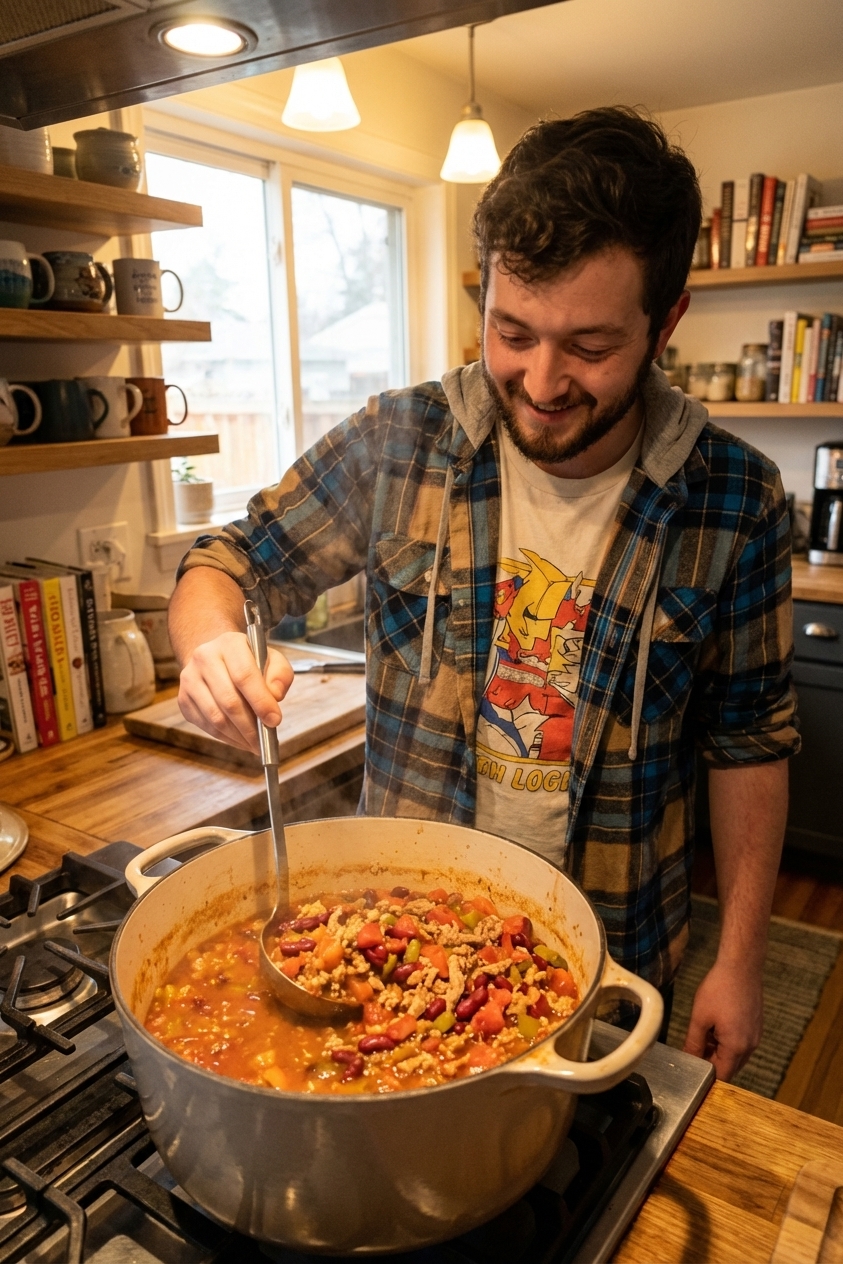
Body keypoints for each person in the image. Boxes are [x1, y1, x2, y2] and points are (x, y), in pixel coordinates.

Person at [169, 106, 799, 1082]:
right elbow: (229, 557)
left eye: (588, 345)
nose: (540, 380)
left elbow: (749, 740)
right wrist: (211, 641)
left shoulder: (737, 498)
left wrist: (743, 959)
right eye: (513, 331)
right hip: (390, 953)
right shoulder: (402, 440)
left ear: (665, 321)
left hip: (613, 958)